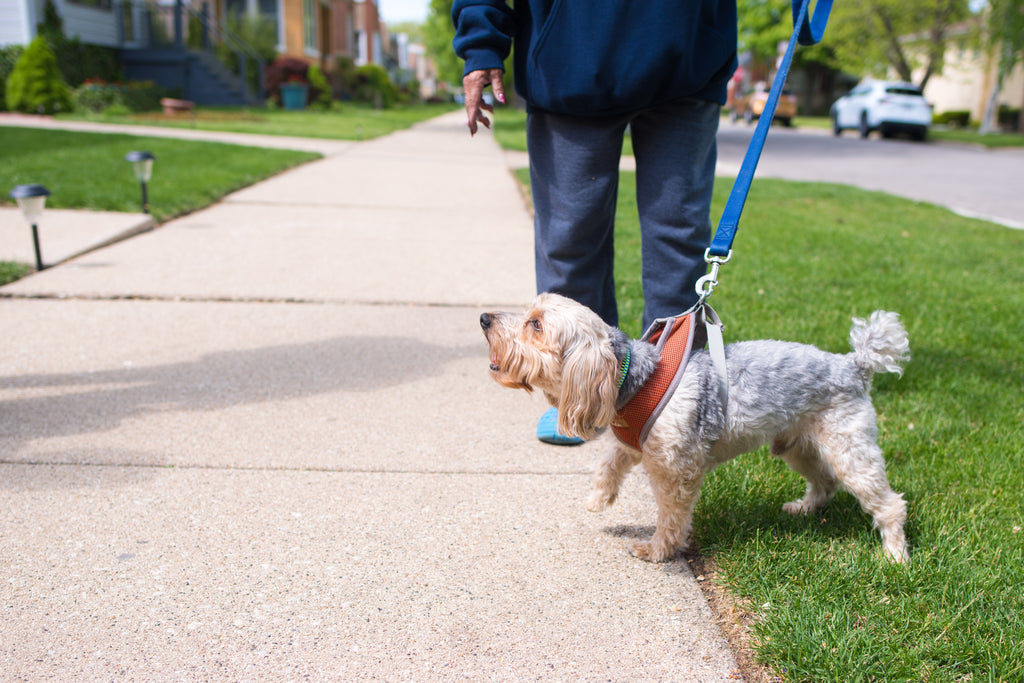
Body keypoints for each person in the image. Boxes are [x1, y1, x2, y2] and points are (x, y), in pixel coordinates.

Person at [453, 0, 738, 444]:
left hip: (688, 50)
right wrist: (481, 42)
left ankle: (676, 399)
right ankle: (575, 395)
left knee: (678, 240)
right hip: (569, 56)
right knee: (569, 239)